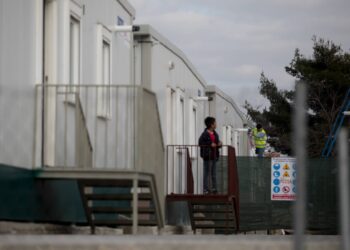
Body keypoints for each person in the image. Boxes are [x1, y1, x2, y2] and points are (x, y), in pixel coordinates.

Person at [198, 116, 222, 194]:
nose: (216, 124)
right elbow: (200, 143)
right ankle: (206, 189)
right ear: (211, 124)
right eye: (215, 123)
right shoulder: (204, 134)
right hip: (207, 156)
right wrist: (209, 144)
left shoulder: (215, 133)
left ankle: (214, 188)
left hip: (214, 156)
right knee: (207, 173)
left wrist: (220, 144)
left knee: (214, 173)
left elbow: (217, 143)